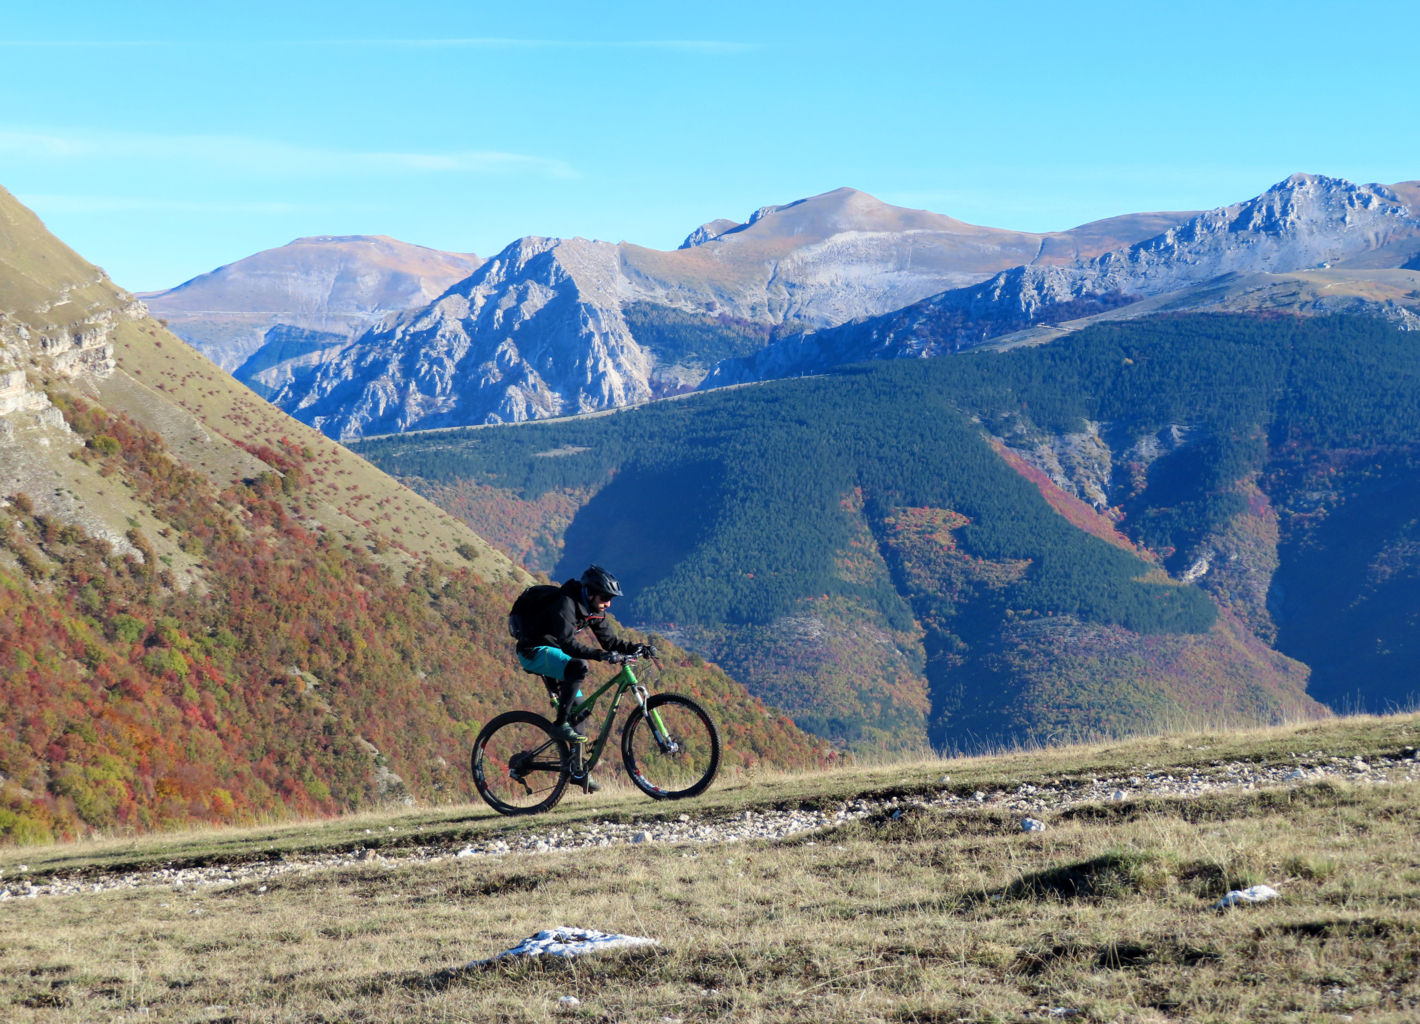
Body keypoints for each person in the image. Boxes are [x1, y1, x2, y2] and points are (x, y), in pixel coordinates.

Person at [514, 565, 652, 745]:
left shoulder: (594, 610)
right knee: (579, 665)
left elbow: (610, 642)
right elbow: (568, 645)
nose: (608, 603)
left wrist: (638, 648)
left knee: (579, 710)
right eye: (605, 597)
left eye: (610, 598)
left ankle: (575, 770)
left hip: (555, 654)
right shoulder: (566, 603)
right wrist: (601, 656)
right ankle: (560, 725)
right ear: (590, 593)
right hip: (533, 651)